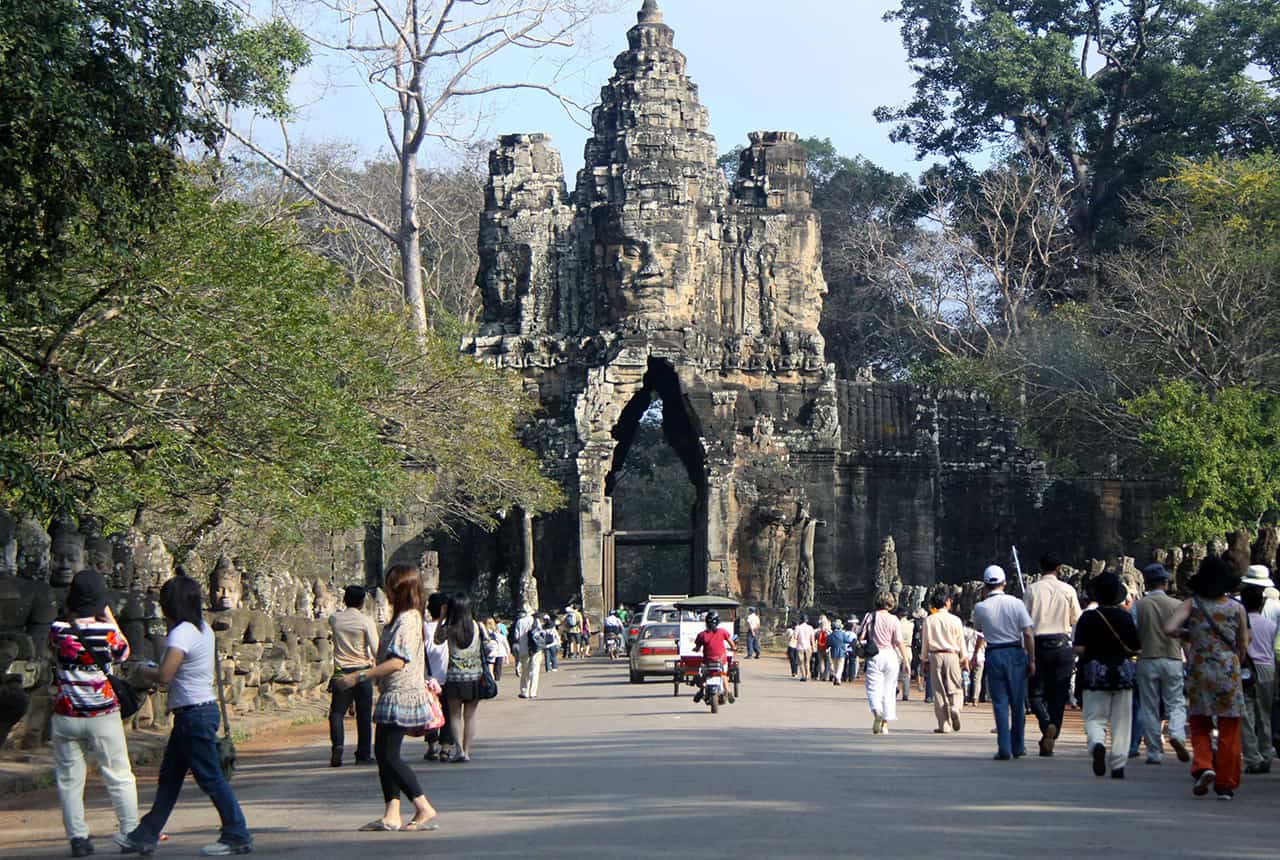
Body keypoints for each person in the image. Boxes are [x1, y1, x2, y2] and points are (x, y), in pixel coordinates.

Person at [115, 576, 253, 856]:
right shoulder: (204, 629)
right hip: (197, 711)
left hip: (194, 714)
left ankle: (237, 833)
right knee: (170, 777)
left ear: (169, 605)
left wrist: (143, 671)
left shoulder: (182, 633)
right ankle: (146, 833)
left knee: (210, 776)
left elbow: (165, 675)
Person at [333, 564, 437, 832]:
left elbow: (398, 661)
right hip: (392, 691)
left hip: (402, 693)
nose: (386, 591)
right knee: (383, 753)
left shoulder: (408, 619)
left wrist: (358, 677)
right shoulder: (400, 619)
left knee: (388, 755)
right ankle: (392, 812)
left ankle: (423, 805)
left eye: (391, 586)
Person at [49, 569, 137, 858]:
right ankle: (129, 831)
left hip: (66, 715)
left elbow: (53, 649)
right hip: (103, 715)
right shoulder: (107, 632)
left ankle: (79, 838)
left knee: (70, 779)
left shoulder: (58, 631)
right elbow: (124, 652)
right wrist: (107, 614)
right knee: (119, 774)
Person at [1164, 555, 1249, 799]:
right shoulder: (1237, 608)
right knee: (1229, 728)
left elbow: (1169, 628)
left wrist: (1189, 634)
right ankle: (1226, 783)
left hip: (1200, 670)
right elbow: (1243, 643)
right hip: (1228, 671)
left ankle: (1203, 765)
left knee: (1200, 723)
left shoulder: (1193, 604)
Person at [1072, 572, 1141, 779]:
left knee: (1094, 717)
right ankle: (1118, 763)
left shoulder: (1088, 617)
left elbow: (1079, 648)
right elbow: (1136, 648)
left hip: (1094, 672)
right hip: (1121, 673)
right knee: (1122, 721)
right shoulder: (1125, 617)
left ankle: (1097, 744)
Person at [973, 565, 1036, 761]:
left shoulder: (980, 607)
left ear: (985, 585)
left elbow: (980, 630)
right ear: (1004, 583)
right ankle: (1018, 745)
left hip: (994, 653)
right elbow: (1027, 633)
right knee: (1017, 702)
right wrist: (1031, 659)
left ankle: (1004, 747)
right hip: (1015, 652)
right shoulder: (1016, 603)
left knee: (1000, 702)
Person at [1023, 552, 1082, 757]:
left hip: (1038, 645)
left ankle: (1046, 724)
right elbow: (1077, 618)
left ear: (1040, 568)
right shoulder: (1068, 590)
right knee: (1059, 695)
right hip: (1062, 646)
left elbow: (1025, 623)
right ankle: (1052, 732)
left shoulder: (1032, 590)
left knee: (1036, 694)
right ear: (1059, 569)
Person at [1134, 564, 1190, 765]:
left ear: (1146, 583)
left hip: (1147, 658)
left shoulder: (1138, 605)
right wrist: (1189, 661)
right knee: (1175, 702)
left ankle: (1154, 752)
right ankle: (1176, 733)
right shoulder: (1178, 605)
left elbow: (1133, 633)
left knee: (1149, 706)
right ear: (1166, 583)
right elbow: (1186, 638)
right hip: (1173, 658)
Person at [434, 594, 489, 763]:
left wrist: (442, 617)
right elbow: (487, 644)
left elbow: (437, 640)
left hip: (454, 677)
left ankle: (459, 751)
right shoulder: (477, 626)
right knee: (470, 716)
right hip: (475, 676)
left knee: (455, 716)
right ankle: (467, 750)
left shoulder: (449, 628)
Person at [328, 585, 378, 768]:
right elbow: (375, 648)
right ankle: (363, 754)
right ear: (363, 601)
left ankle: (338, 745)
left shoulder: (335, 619)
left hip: (342, 670)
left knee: (337, 712)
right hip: (362, 670)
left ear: (344, 600)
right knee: (363, 714)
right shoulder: (366, 621)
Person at [1240, 571, 1277, 774]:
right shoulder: (1271, 625)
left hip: (1246, 668)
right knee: (1265, 714)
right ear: (1262, 604)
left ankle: (1252, 757)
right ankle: (1266, 754)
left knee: (1247, 715)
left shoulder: (1241, 622)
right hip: (1267, 669)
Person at [921, 590, 968, 734]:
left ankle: (944, 725)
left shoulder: (929, 620)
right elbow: (961, 642)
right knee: (956, 686)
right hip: (952, 655)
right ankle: (955, 707)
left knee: (938, 691)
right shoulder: (955, 620)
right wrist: (964, 658)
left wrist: (924, 660)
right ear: (947, 602)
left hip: (935, 655)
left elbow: (925, 642)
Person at [862, 592, 907, 735]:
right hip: (891, 655)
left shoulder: (870, 616)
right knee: (889, 690)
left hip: (875, 654)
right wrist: (906, 660)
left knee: (873, 688)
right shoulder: (894, 620)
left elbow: (861, 635)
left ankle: (877, 712)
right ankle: (885, 725)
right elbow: (899, 641)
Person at [422, 591, 452, 762]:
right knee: (447, 711)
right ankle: (446, 747)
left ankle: (432, 745)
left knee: (431, 712)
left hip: (428, 677)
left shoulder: (424, 628)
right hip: (446, 676)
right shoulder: (449, 628)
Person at [692, 611, 734, 704]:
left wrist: (695, 649)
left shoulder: (702, 635)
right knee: (723, 674)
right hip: (721, 661)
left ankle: (701, 690)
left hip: (707, 662)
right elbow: (732, 644)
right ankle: (728, 691)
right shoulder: (723, 632)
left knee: (704, 676)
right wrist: (734, 648)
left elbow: (697, 647)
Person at [511, 607, 541, 699]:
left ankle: (524, 691)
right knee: (534, 671)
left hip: (523, 648)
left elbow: (516, 636)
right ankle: (533, 692)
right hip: (535, 649)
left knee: (525, 671)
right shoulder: (535, 621)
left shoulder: (520, 622)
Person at [828, 621, 851, 686]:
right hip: (841, 652)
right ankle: (838, 678)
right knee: (840, 666)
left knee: (835, 666)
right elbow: (848, 640)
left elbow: (827, 644)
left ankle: (836, 677)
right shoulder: (843, 634)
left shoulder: (830, 635)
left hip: (833, 652)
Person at [793, 614, 815, 681]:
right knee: (807, 662)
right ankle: (807, 675)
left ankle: (803, 676)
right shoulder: (810, 628)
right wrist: (813, 647)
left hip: (800, 647)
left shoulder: (798, 627)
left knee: (801, 663)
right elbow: (812, 638)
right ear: (807, 620)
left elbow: (795, 637)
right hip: (808, 646)